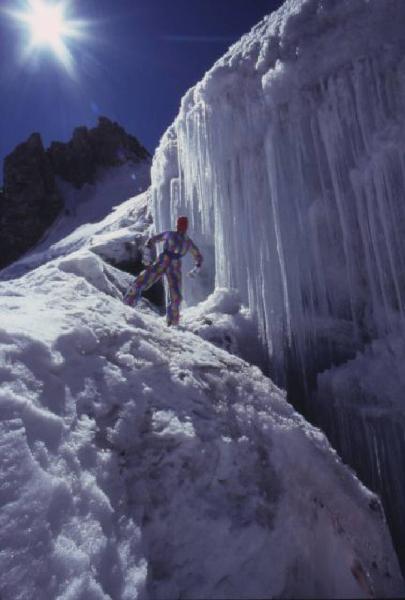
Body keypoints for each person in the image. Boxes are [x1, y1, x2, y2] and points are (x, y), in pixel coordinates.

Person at [124, 216, 203, 326]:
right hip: (165, 262)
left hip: (172, 266)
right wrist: (146, 254)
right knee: (144, 280)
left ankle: (173, 323)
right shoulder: (173, 236)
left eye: (182, 226)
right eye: (180, 225)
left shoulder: (185, 241)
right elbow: (152, 240)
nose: (181, 228)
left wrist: (196, 268)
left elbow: (198, 256)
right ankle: (128, 303)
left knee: (176, 296)